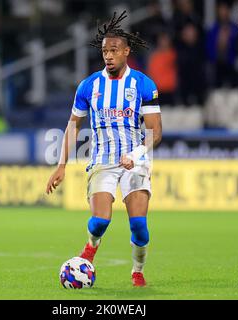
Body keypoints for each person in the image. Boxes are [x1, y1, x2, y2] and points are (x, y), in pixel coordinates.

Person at [45, 11, 162, 287]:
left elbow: (155, 131)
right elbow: (73, 125)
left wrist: (136, 155)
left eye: (113, 51)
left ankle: (137, 271)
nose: (108, 56)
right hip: (102, 160)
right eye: (104, 51)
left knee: (139, 227)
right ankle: (90, 249)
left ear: (126, 51)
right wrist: (62, 164)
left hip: (136, 159)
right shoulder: (89, 86)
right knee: (99, 221)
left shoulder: (143, 84)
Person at [147, 32, 178, 106]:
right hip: (158, 91)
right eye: (162, 39)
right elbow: (150, 73)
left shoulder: (174, 54)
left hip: (171, 90)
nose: (163, 42)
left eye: (165, 39)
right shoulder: (154, 56)